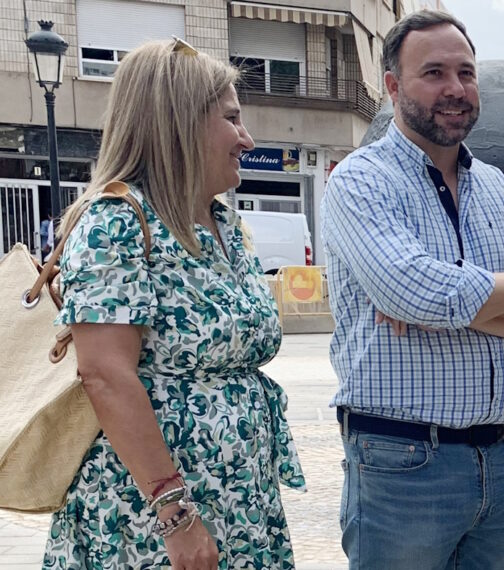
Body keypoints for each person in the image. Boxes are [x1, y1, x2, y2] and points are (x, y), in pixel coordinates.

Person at [321, 10, 504, 570]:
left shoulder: (500, 190)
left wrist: (445, 302)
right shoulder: (361, 180)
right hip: (401, 461)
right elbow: (415, 292)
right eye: (433, 73)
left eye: (465, 72)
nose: (455, 89)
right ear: (391, 86)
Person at [43, 40, 306, 569]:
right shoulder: (114, 222)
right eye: (231, 119)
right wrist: (176, 516)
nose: (246, 138)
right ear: (178, 123)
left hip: (240, 505)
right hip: (152, 519)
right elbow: (105, 375)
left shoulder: (225, 225)